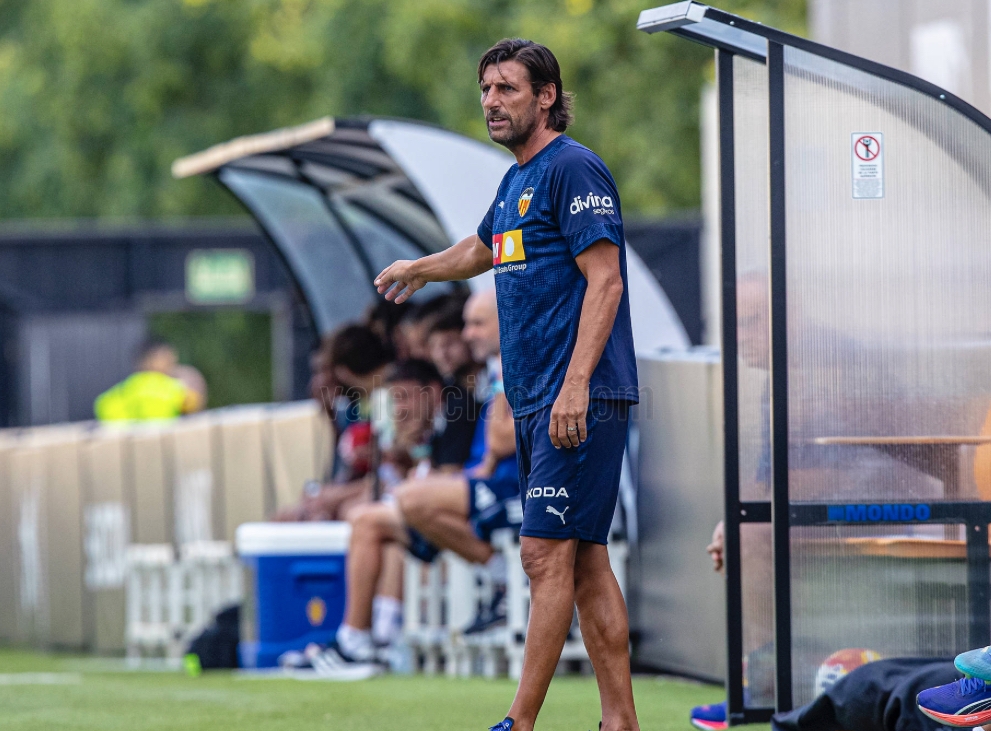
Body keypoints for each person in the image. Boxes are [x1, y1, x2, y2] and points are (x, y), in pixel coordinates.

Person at [374, 39, 639, 731]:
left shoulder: (572, 168)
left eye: (507, 88)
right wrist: (420, 268)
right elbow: (483, 247)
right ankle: (619, 721)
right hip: (536, 401)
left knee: (541, 553)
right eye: (485, 88)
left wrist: (576, 383)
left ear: (546, 95)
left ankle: (518, 722)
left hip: (576, 397)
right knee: (581, 562)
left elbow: (605, 281)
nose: (490, 100)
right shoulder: (515, 178)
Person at [304, 288, 520, 676]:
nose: (468, 334)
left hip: (516, 494)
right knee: (370, 520)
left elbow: (505, 440)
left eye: (476, 324)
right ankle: (362, 641)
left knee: (404, 500)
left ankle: (504, 574)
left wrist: (484, 457)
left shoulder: (513, 365)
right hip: (489, 490)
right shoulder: (493, 372)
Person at [94, 338, 202, 422]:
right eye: (166, 358)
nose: (172, 361)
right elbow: (192, 403)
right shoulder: (169, 386)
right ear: (148, 361)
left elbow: (103, 405)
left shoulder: (128, 387)